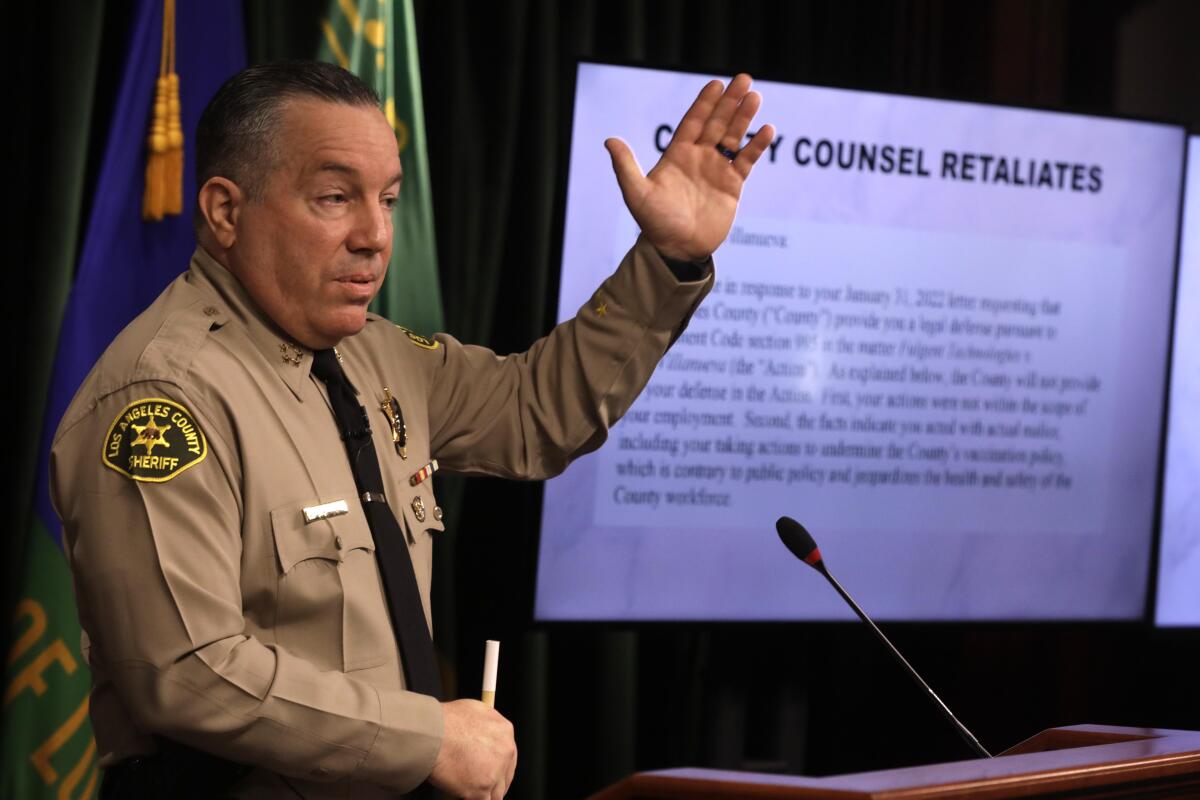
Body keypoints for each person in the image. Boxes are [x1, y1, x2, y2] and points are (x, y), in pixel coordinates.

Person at [50, 61, 773, 799]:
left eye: (388, 199)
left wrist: (667, 258)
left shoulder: (377, 355)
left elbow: (536, 414)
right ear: (226, 212)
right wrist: (428, 740)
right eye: (335, 198)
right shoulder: (162, 397)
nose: (374, 235)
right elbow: (187, 673)